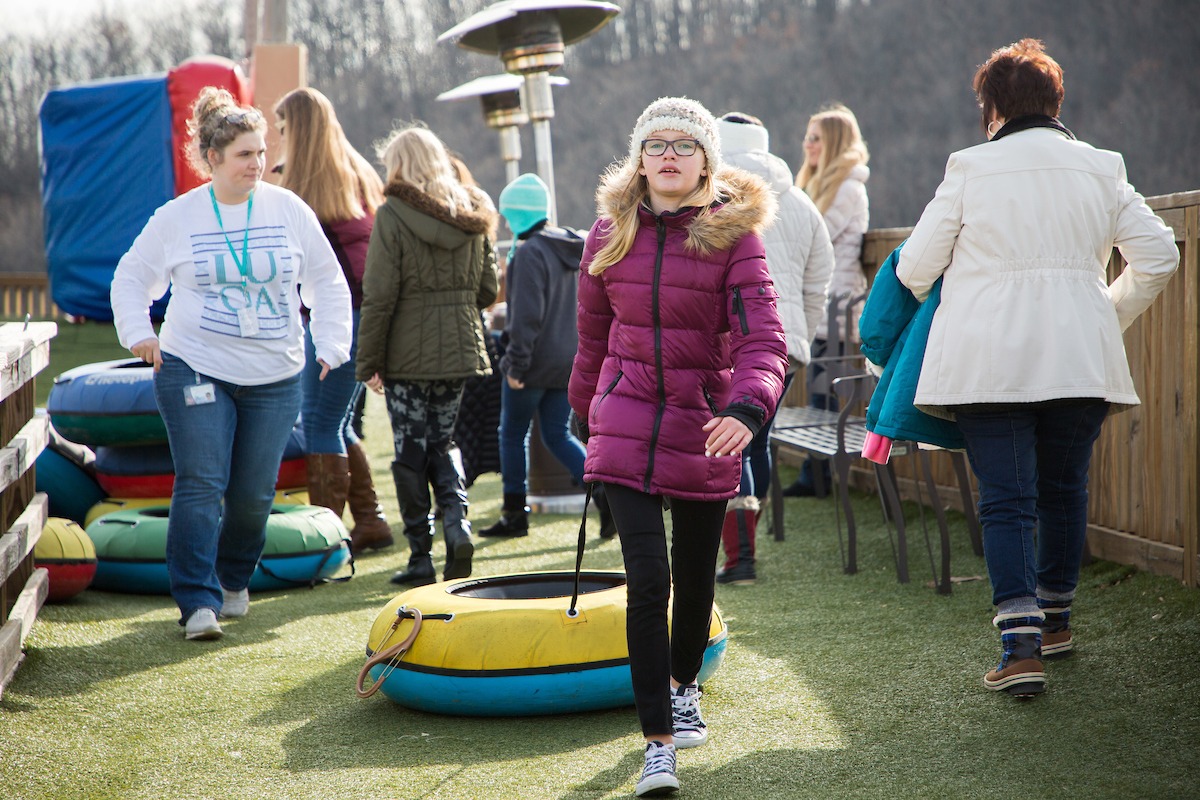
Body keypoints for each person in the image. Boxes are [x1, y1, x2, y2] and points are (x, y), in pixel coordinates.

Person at [897, 39, 1178, 698]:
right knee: (1063, 489)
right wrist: (1102, 314)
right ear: (1056, 102)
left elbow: (915, 269)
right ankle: (1056, 623)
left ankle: (1019, 649)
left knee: (1006, 499)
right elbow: (1160, 256)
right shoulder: (1102, 166)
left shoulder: (970, 167)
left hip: (987, 362)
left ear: (991, 108)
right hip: (1080, 358)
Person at [568, 97, 787, 797]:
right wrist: (585, 415)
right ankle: (657, 745)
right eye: (655, 144)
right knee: (647, 580)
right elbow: (592, 339)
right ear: (639, 158)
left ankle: (683, 683)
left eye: (684, 145)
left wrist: (747, 409)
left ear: (706, 161)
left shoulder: (735, 238)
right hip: (624, 420)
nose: (668, 155)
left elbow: (763, 340)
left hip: (704, 427)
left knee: (694, 580)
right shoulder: (608, 233)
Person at [110, 87, 353, 640]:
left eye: (262, 152)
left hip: (275, 374)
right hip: (194, 365)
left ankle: (233, 577)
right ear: (213, 158)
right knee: (201, 481)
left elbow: (327, 281)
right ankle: (198, 602)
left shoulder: (289, 210)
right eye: (245, 154)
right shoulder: (178, 217)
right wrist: (139, 334)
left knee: (253, 495)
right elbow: (131, 277)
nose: (257, 163)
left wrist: (332, 342)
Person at [355, 124, 500, 587]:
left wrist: (368, 362)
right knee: (443, 441)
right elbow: (488, 289)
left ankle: (421, 556)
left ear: (399, 165)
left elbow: (379, 296)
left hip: (407, 355)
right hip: (459, 348)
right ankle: (457, 525)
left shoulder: (393, 214)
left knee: (410, 451)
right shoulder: (473, 211)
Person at [714, 111, 833, 584]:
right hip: (786, 345)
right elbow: (819, 280)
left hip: (728, 342)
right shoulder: (800, 202)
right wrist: (798, 334)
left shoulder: (710, 192)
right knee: (756, 442)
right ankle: (745, 543)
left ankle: (739, 555)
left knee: (729, 445)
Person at [272, 86, 393, 554]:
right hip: (357, 313)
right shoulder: (354, 172)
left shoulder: (307, 188)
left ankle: (325, 540)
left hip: (339, 316)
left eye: (283, 128)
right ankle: (371, 521)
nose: (280, 136)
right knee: (337, 422)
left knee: (320, 423)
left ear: (299, 130)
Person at [479, 173, 596, 538]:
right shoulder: (572, 246)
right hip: (567, 362)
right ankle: (605, 494)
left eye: (508, 214)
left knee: (512, 435)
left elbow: (526, 317)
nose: (506, 223)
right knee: (558, 434)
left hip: (530, 365)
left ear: (519, 214)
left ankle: (515, 514)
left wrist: (514, 365)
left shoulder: (529, 252)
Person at [782, 103, 870, 497]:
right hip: (822, 301)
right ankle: (815, 475)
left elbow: (815, 237)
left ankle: (819, 477)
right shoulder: (822, 185)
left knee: (826, 391)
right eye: (807, 137)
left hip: (835, 302)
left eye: (815, 138)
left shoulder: (848, 188)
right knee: (820, 389)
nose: (808, 144)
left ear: (833, 142)